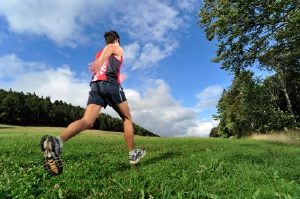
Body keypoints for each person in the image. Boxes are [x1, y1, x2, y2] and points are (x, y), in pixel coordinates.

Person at [40, 31, 146, 175]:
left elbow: (105, 66)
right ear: (117, 40)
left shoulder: (99, 53)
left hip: (96, 85)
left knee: (87, 121)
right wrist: (101, 61)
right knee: (127, 118)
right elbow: (110, 50)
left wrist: (114, 72)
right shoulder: (115, 47)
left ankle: (57, 142)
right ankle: (133, 154)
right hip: (110, 84)